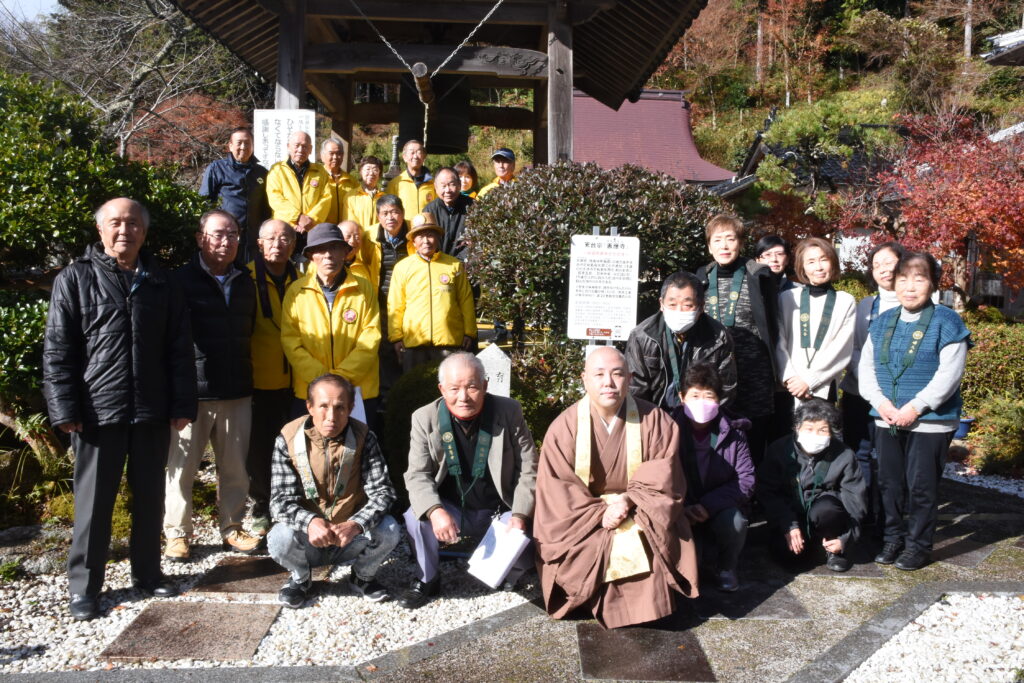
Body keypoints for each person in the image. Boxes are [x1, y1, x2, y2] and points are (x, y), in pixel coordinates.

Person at [43, 198, 196, 621]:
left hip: (151, 410)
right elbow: (58, 351)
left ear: (144, 233)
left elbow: (180, 350)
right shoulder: (74, 279)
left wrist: (182, 403)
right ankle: (84, 588)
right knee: (93, 505)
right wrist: (64, 409)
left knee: (149, 499)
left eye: (132, 224)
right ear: (100, 230)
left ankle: (147, 573)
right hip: (96, 412)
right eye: (115, 223)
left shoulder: (162, 284)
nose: (124, 230)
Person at [534, 347, 699, 629]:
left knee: (648, 534)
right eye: (598, 374)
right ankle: (594, 600)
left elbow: (666, 476)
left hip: (642, 507)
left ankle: (646, 605)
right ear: (584, 379)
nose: (608, 382)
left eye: (617, 374)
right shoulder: (564, 427)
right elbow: (556, 490)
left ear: (630, 378)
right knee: (594, 544)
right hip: (583, 516)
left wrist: (628, 500)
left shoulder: (656, 420)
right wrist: (600, 514)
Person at [858, 252, 971, 571]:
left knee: (922, 486)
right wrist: (880, 403)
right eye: (903, 279)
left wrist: (915, 407)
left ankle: (918, 545)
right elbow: (866, 368)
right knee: (889, 484)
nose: (910, 287)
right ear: (894, 283)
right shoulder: (881, 323)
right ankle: (893, 538)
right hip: (887, 417)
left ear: (933, 284)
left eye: (919, 279)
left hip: (930, 422)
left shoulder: (947, 321)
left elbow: (950, 374)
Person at [401, 353, 537, 609]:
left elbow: (529, 468)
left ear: (485, 385)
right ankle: (427, 578)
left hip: (500, 510)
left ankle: (512, 574)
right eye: (454, 388)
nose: (463, 397)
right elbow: (417, 474)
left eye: (472, 387)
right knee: (414, 516)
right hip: (451, 509)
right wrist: (435, 510)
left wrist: (520, 514)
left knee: (527, 543)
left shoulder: (509, 411)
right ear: (442, 389)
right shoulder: (424, 417)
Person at [164, 210, 262, 562]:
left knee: (235, 466)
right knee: (182, 467)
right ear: (200, 238)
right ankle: (177, 533)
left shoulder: (245, 280)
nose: (226, 241)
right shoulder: (179, 282)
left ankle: (233, 527)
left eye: (233, 234)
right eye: (218, 234)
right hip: (193, 392)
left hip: (236, 387)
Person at [268, 373, 400, 608]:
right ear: (309, 406)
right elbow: (279, 501)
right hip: (308, 538)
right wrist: (310, 522)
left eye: (340, 407)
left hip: (348, 537)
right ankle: (301, 578)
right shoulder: (287, 439)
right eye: (323, 406)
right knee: (279, 538)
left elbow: (383, 493)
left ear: (351, 407)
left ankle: (362, 576)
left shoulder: (364, 437)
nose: (331, 416)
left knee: (389, 529)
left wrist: (356, 524)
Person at [696, 214, 779, 466]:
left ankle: (751, 498)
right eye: (717, 240)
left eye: (730, 239)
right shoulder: (700, 277)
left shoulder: (760, 275)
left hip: (753, 374)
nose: (724, 246)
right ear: (709, 246)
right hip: (714, 374)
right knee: (715, 440)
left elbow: (775, 324)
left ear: (740, 242)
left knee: (754, 444)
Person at [281, 223, 382, 418]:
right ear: (311, 256)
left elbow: (371, 337)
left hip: (358, 390)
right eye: (321, 249)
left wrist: (341, 377)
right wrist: (321, 378)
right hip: (310, 390)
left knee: (358, 447)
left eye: (334, 248)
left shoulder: (364, 288)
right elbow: (291, 341)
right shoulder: (296, 291)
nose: (328, 255)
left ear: (345, 252)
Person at [670, 363, 754, 592]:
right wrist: (684, 505)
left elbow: (746, 479)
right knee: (689, 571)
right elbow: (657, 473)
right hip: (679, 507)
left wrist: (709, 506)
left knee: (736, 522)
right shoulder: (666, 428)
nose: (701, 403)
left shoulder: (735, 431)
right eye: (694, 395)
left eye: (709, 396)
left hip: (718, 508)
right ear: (682, 397)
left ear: (719, 400)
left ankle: (727, 566)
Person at [757, 398, 867, 573]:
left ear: (832, 432)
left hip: (824, 513)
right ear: (797, 427)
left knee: (828, 508)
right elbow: (767, 491)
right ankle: (802, 541)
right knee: (790, 559)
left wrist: (846, 539)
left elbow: (855, 499)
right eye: (809, 428)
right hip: (790, 515)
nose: (815, 435)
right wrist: (787, 523)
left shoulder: (845, 454)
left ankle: (833, 548)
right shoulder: (779, 449)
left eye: (822, 430)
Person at [839, 241, 905, 505]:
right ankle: (862, 511)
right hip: (858, 392)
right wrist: (866, 377)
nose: (883, 270)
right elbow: (853, 347)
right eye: (877, 265)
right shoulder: (866, 305)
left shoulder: (913, 303)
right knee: (859, 452)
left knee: (892, 459)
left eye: (889, 262)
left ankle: (889, 517)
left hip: (896, 398)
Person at [246, 219, 300, 536]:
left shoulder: (302, 279)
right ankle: (260, 506)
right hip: (258, 377)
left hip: (295, 380)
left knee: (294, 448)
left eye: (285, 238)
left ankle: (292, 504)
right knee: (258, 449)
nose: (278, 244)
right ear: (259, 242)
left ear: (294, 244)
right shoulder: (247, 279)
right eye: (272, 238)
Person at [625, 270, 736, 411]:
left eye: (687, 305)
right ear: (661, 303)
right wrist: (651, 423)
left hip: (701, 418)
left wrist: (707, 420)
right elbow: (635, 388)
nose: (679, 311)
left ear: (701, 306)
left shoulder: (719, 337)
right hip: (656, 416)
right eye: (672, 304)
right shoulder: (642, 336)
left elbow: (726, 388)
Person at [388, 212, 477, 372]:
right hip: (413, 342)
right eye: (420, 236)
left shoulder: (454, 265)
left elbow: (465, 299)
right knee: (414, 388)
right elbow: (395, 304)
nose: (426, 241)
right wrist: (396, 336)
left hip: (449, 340)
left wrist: (469, 332)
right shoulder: (402, 267)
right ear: (413, 241)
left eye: (430, 235)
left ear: (437, 237)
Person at [775, 238, 856, 410]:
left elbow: (842, 348)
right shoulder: (788, 298)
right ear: (802, 266)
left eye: (823, 259)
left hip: (823, 387)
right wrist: (790, 378)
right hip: (789, 387)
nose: (818, 267)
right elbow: (779, 341)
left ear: (832, 262)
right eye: (811, 261)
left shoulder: (845, 301)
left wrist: (810, 380)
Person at [199, 127, 270, 265]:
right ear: (230, 146)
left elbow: (267, 206)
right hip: (226, 239)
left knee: (252, 277)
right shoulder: (217, 168)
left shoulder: (262, 172)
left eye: (247, 143)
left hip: (254, 239)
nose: (243, 147)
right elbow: (204, 202)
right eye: (239, 143)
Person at [266, 131, 332, 235]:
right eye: (297, 145)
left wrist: (311, 220)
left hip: (312, 229)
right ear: (288, 146)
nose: (300, 150)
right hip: (284, 228)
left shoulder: (321, 171)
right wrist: (297, 217)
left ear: (310, 149)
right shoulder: (277, 170)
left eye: (305, 146)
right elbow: (275, 198)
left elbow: (326, 198)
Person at [424, 167, 474, 261]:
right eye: (443, 186)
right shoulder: (429, 210)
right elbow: (425, 241)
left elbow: (476, 240)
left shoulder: (473, 206)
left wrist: (459, 262)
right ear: (435, 187)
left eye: (452, 185)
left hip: (465, 265)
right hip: (437, 263)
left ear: (459, 185)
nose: (447, 190)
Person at [385, 139, 433, 215]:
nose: (415, 156)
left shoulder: (433, 184)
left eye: (419, 152)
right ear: (404, 157)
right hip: (405, 226)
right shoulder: (395, 184)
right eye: (412, 152)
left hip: (427, 226)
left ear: (424, 156)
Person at [322, 138, 357, 224]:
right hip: (323, 229)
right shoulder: (317, 178)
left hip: (345, 230)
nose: (335, 157)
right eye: (331, 153)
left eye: (339, 154)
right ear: (322, 156)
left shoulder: (351, 181)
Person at [344, 156, 384, 229]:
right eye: (367, 169)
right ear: (360, 172)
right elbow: (349, 222)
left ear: (379, 173)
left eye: (375, 170)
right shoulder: (351, 196)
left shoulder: (384, 198)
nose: (371, 173)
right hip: (357, 237)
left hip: (378, 239)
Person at [339, 219, 373, 285]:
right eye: (348, 236)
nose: (352, 241)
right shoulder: (326, 264)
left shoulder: (364, 268)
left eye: (357, 237)